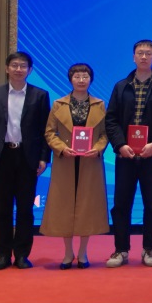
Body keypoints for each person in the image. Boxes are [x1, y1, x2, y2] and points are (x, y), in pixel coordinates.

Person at [104, 40, 152, 268]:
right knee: (121, 204)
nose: (144, 57)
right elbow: (111, 119)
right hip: (125, 156)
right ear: (133, 57)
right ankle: (121, 249)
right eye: (140, 53)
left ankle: (148, 249)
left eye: (148, 53)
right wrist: (120, 145)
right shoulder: (121, 86)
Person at [0, 52, 51, 270]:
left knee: (25, 209)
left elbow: (45, 130)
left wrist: (43, 157)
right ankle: (3, 255)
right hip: (2, 156)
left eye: (23, 66)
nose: (18, 69)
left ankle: (22, 254)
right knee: (2, 209)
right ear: (7, 68)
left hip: (27, 157)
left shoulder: (40, 95)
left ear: (30, 70)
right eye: (14, 65)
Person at [40, 63, 109, 269]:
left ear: (91, 79)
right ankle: (68, 253)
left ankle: (83, 253)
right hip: (66, 161)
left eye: (85, 76)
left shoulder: (100, 105)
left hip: (90, 161)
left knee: (87, 206)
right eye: (77, 76)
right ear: (70, 79)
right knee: (65, 206)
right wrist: (61, 148)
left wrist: (97, 148)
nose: (81, 80)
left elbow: (105, 133)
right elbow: (49, 132)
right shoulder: (58, 104)